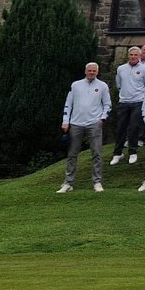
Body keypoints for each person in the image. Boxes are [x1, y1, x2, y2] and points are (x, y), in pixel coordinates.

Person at [58, 63, 112, 193]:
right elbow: (68, 104)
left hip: (94, 123)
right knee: (72, 154)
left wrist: (102, 119)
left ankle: (97, 182)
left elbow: (107, 104)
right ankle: (68, 183)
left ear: (97, 72)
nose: (91, 73)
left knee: (97, 153)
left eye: (94, 71)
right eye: (90, 70)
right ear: (85, 71)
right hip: (76, 123)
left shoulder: (102, 86)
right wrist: (66, 121)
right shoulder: (75, 85)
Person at [111, 47, 145, 166]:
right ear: (128, 56)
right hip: (124, 102)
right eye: (131, 54)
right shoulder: (121, 69)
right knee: (121, 128)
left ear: (139, 56)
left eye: (135, 55)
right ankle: (118, 153)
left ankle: (133, 151)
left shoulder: (144, 69)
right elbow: (119, 85)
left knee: (134, 127)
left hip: (138, 101)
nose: (133, 56)